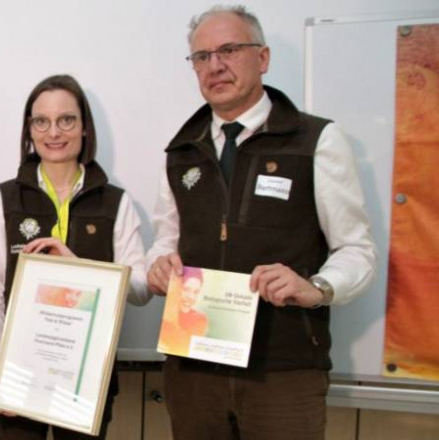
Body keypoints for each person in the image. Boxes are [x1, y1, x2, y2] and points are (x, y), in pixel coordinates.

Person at [145, 6, 376, 439]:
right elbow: (166, 240)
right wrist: (159, 264)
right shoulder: (180, 153)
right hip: (194, 368)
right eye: (202, 56)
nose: (215, 65)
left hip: (282, 371)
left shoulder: (317, 141)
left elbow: (357, 250)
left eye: (230, 50)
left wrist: (317, 288)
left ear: (263, 58)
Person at [0, 74, 147, 440]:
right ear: (30, 130)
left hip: (86, 382)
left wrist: (80, 270)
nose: (54, 132)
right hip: (17, 378)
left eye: (66, 120)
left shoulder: (115, 202)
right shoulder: (4, 199)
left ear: (85, 127)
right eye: (42, 121)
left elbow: (141, 289)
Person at [158, 267, 208, 357]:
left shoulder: (200, 319)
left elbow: (184, 347)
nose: (191, 297)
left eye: (196, 292)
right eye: (185, 289)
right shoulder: (162, 309)